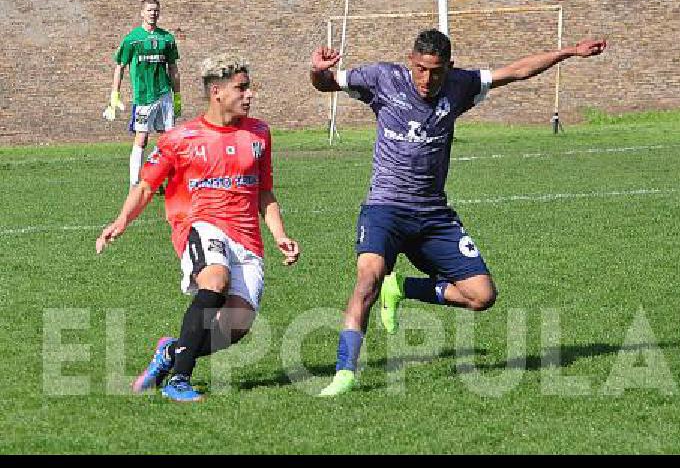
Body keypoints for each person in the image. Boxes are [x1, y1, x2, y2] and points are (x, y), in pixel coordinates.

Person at [309, 28, 607, 396]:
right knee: (367, 279)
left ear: (449, 67)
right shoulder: (382, 79)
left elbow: (517, 71)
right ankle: (344, 373)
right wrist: (317, 71)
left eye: (435, 71)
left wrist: (570, 52)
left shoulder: (461, 85)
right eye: (420, 69)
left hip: (433, 215)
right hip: (385, 208)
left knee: (482, 296)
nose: (427, 79)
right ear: (410, 62)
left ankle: (402, 287)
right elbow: (326, 83)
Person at [96, 53, 300, 402]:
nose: (250, 94)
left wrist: (280, 235)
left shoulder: (260, 133)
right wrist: (121, 221)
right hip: (201, 224)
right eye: (242, 88)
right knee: (215, 280)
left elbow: (264, 191)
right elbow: (146, 185)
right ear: (216, 92)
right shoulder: (181, 137)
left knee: (235, 329)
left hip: (247, 238)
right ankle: (179, 381)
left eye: (249, 87)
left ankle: (172, 351)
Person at [103, 0, 182, 192]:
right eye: (149, 10)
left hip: (164, 94)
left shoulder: (167, 39)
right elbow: (119, 67)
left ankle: (160, 178)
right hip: (144, 97)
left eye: (156, 10)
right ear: (142, 13)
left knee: (168, 139)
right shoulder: (133, 39)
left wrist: (177, 96)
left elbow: (173, 68)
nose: (153, 13)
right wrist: (115, 94)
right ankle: (135, 184)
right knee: (142, 138)